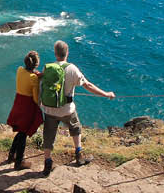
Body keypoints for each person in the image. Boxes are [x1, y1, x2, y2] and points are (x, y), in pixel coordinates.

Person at [39, 40, 115, 177]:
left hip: (49, 109)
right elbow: (88, 85)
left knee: (48, 134)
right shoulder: (72, 68)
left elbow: (40, 81)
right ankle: (79, 154)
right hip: (67, 109)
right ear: (67, 53)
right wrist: (106, 94)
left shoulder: (47, 67)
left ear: (55, 53)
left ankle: (47, 161)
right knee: (75, 127)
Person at [5, 51, 44, 170]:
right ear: (36, 65)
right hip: (27, 107)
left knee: (20, 131)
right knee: (23, 134)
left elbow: (29, 75)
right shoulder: (34, 79)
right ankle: (19, 162)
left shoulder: (19, 70)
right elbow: (36, 98)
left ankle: (12, 155)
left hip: (18, 103)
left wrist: (37, 75)